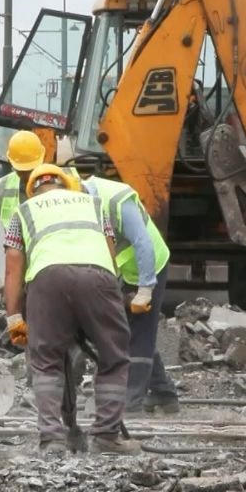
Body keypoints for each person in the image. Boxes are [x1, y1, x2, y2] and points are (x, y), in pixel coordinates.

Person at [3, 164, 136, 455]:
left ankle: (52, 440)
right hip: (98, 277)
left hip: (47, 280)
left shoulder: (24, 211)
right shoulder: (94, 205)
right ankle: (106, 435)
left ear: (33, 189)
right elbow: (110, 255)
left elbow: (13, 267)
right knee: (113, 357)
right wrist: (99, 304)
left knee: (47, 361)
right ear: (66, 185)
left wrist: (14, 318)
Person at [80, 173, 180, 414]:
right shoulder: (81, 203)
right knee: (125, 329)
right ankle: (164, 393)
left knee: (141, 334)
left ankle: (131, 402)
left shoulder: (116, 199)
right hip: (126, 271)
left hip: (150, 267)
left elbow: (142, 242)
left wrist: (145, 291)